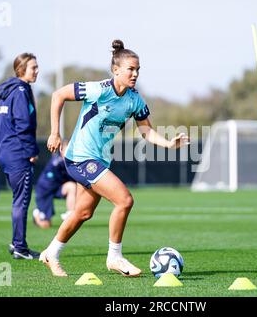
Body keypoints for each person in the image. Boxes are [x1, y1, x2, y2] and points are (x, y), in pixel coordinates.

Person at [40, 40, 189, 277]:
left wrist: (170, 143)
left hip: (99, 161)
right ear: (116, 70)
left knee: (83, 213)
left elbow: (146, 131)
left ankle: (51, 253)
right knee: (124, 200)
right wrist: (55, 132)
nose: (135, 73)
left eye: (138, 69)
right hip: (80, 157)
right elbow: (58, 95)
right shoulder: (98, 89)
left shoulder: (135, 99)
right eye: (131, 69)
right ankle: (114, 257)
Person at [0, 53, 40, 260]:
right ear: (21, 69)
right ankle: (20, 247)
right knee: (21, 201)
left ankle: (17, 243)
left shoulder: (9, 91)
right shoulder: (20, 91)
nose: (37, 71)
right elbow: (23, 125)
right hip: (17, 153)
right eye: (33, 67)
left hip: (5, 152)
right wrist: (31, 152)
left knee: (17, 199)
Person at [32, 141, 76, 229]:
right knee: (46, 225)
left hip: (58, 188)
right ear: (61, 150)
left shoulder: (72, 162)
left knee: (72, 186)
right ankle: (37, 213)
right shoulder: (56, 162)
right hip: (45, 191)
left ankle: (70, 215)